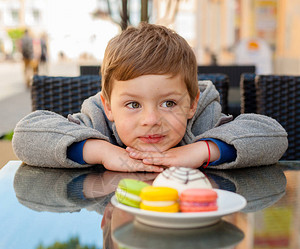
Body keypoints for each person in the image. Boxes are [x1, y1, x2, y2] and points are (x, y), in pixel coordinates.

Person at [12, 23, 288, 171]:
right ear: (109, 107)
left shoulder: (204, 123)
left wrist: (200, 151)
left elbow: (273, 136)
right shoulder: (97, 123)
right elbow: (26, 134)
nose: (151, 120)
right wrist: (103, 152)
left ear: (192, 104)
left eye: (169, 103)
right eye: (133, 104)